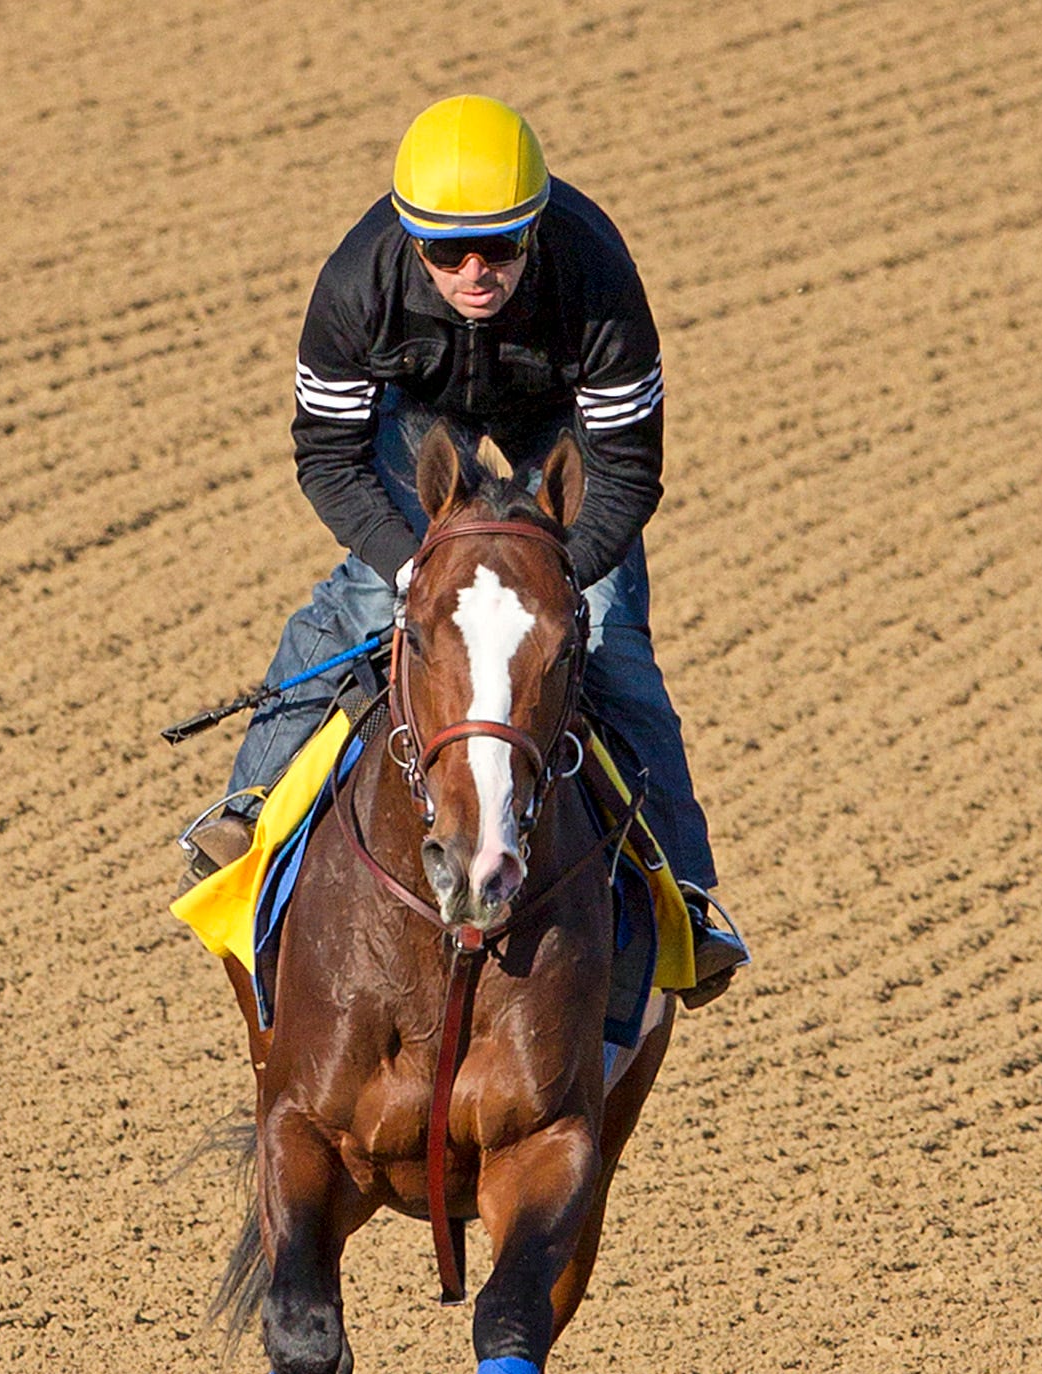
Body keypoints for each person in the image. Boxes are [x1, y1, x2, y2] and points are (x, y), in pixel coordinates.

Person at [189, 93, 745, 1005]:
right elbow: (329, 459)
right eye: (448, 253)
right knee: (366, 604)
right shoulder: (353, 287)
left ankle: (684, 892)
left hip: (557, 430)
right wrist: (414, 571)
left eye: (502, 247)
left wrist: (549, 580)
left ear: (538, 228)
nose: (475, 271)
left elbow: (628, 474)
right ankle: (248, 812)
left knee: (606, 634)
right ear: (411, 243)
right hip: (420, 421)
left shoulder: (598, 278)